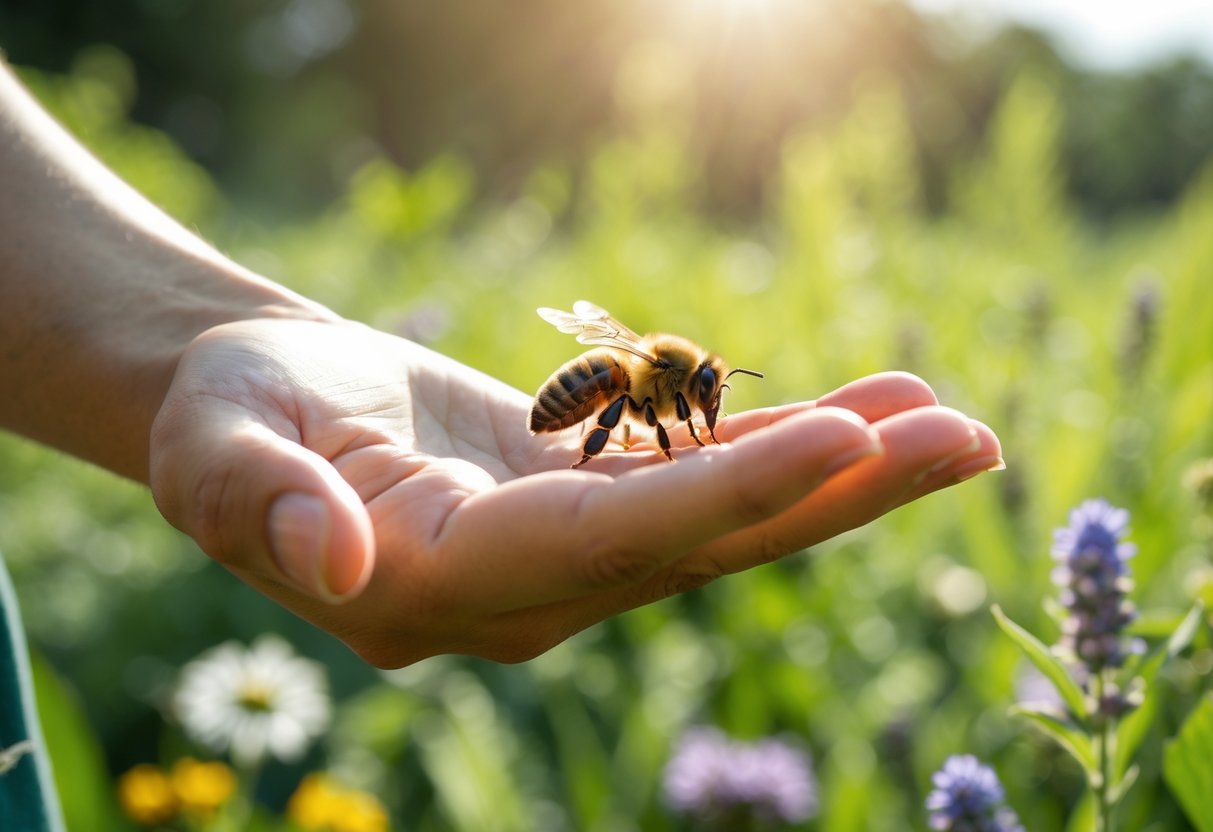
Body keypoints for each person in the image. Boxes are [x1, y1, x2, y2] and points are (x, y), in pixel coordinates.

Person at [0, 57, 1002, 669]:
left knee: (619, 397)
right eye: (700, 394)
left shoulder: (666, 378)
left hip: (571, 402)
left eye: (704, 400)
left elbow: (663, 405)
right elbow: (646, 400)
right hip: (580, 403)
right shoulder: (647, 377)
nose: (701, 407)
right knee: (611, 394)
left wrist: (218, 326)